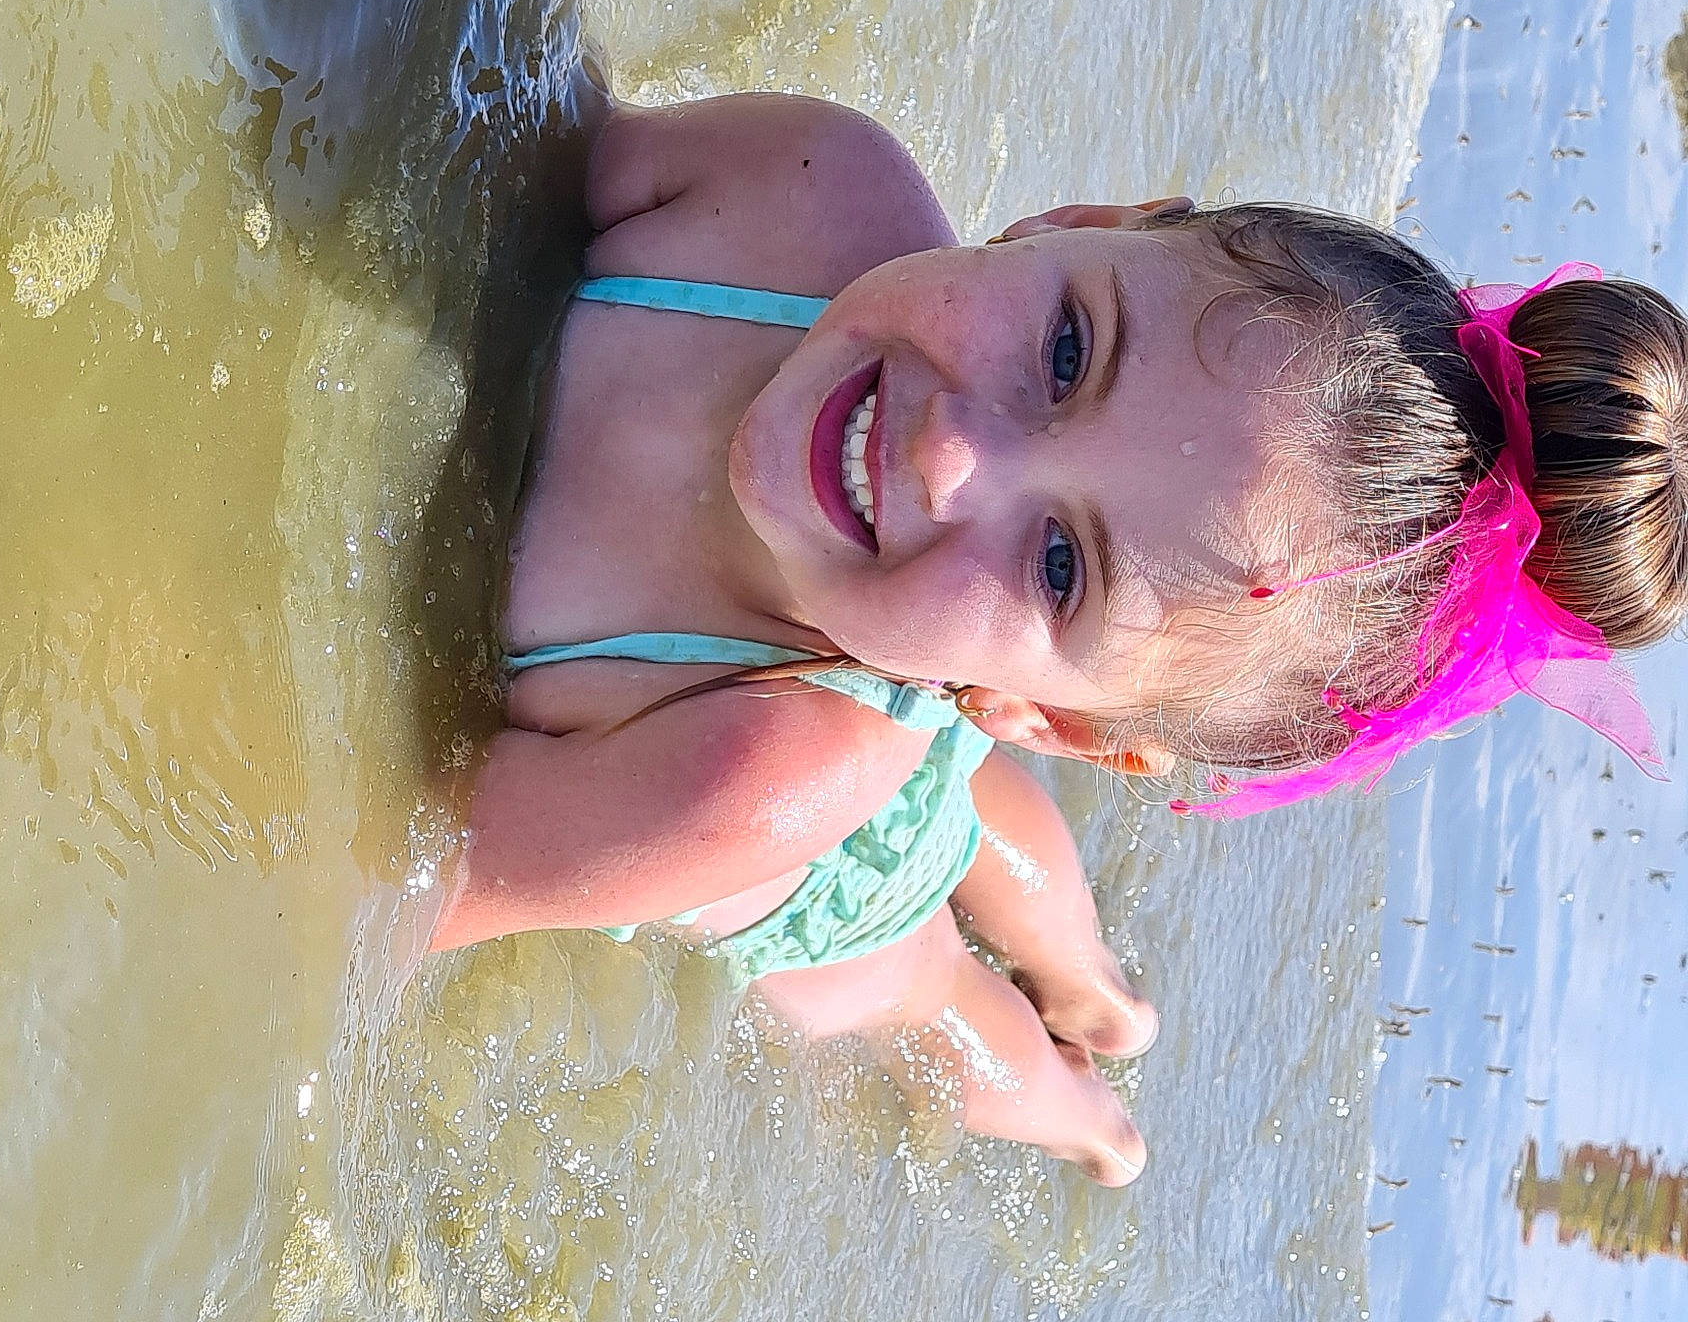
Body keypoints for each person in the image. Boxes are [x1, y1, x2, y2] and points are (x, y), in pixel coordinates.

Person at [427, 90, 1688, 1187]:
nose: (946, 451)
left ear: (1057, 725)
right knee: (963, 798)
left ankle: (1090, 1085)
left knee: (919, 989)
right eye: (1068, 349)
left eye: (1061, 564)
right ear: (1078, 226)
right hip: (908, 647)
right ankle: (1077, 949)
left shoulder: (743, 782)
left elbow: (371, 881)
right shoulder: (802, 190)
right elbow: (469, 113)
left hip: (795, 772)